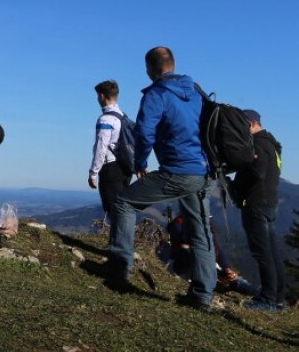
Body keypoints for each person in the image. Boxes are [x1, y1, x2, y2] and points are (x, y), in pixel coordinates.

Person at [106, 46, 216, 310]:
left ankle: (119, 269)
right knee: (200, 232)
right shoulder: (197, 93)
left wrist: (140, 162)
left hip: (176, 171)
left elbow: (144, 132)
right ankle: (203, 296)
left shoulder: (157, 94)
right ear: (173, 64)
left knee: (124, 202)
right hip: (203, 173)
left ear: (150, 69)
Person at [231, 110, 287, 311]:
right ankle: (278, 299)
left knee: (263, 254)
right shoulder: (272, 144)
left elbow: (257, 172)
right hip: (269, 204)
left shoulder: (259, 145)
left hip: (256, 204)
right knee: (272, 253)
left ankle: (268, 300)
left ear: (253, 123)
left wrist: (237, 185)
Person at [89, 80, 133, 226]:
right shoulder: (123, 117)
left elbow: (101, 147)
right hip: (125, 167)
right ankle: (123, 242)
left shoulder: (105, 120)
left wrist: (93, 172)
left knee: (113, 209)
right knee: (123, 207)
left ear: (102, 96)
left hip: (110, 168)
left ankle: (118, 245)